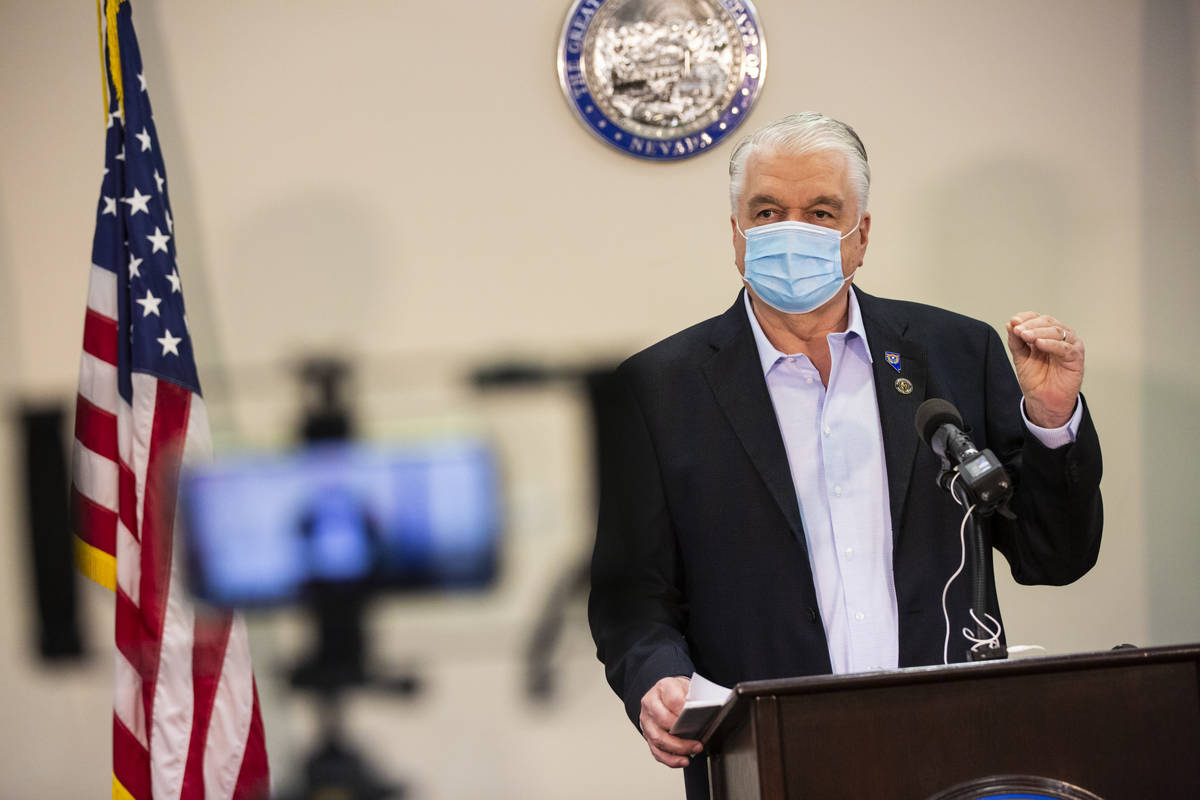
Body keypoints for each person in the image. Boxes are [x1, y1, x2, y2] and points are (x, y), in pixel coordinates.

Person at [587, 112, 1103, 799]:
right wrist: (655, 679)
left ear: (861, 235)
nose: (790, 232)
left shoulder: (956, 353)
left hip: (955, 746)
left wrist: (1052, 419)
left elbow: (1054, 557)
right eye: (767, 212)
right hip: (768, 756)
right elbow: (631, 599)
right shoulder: (657, 389)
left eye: (821, 212)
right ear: (736, 234)